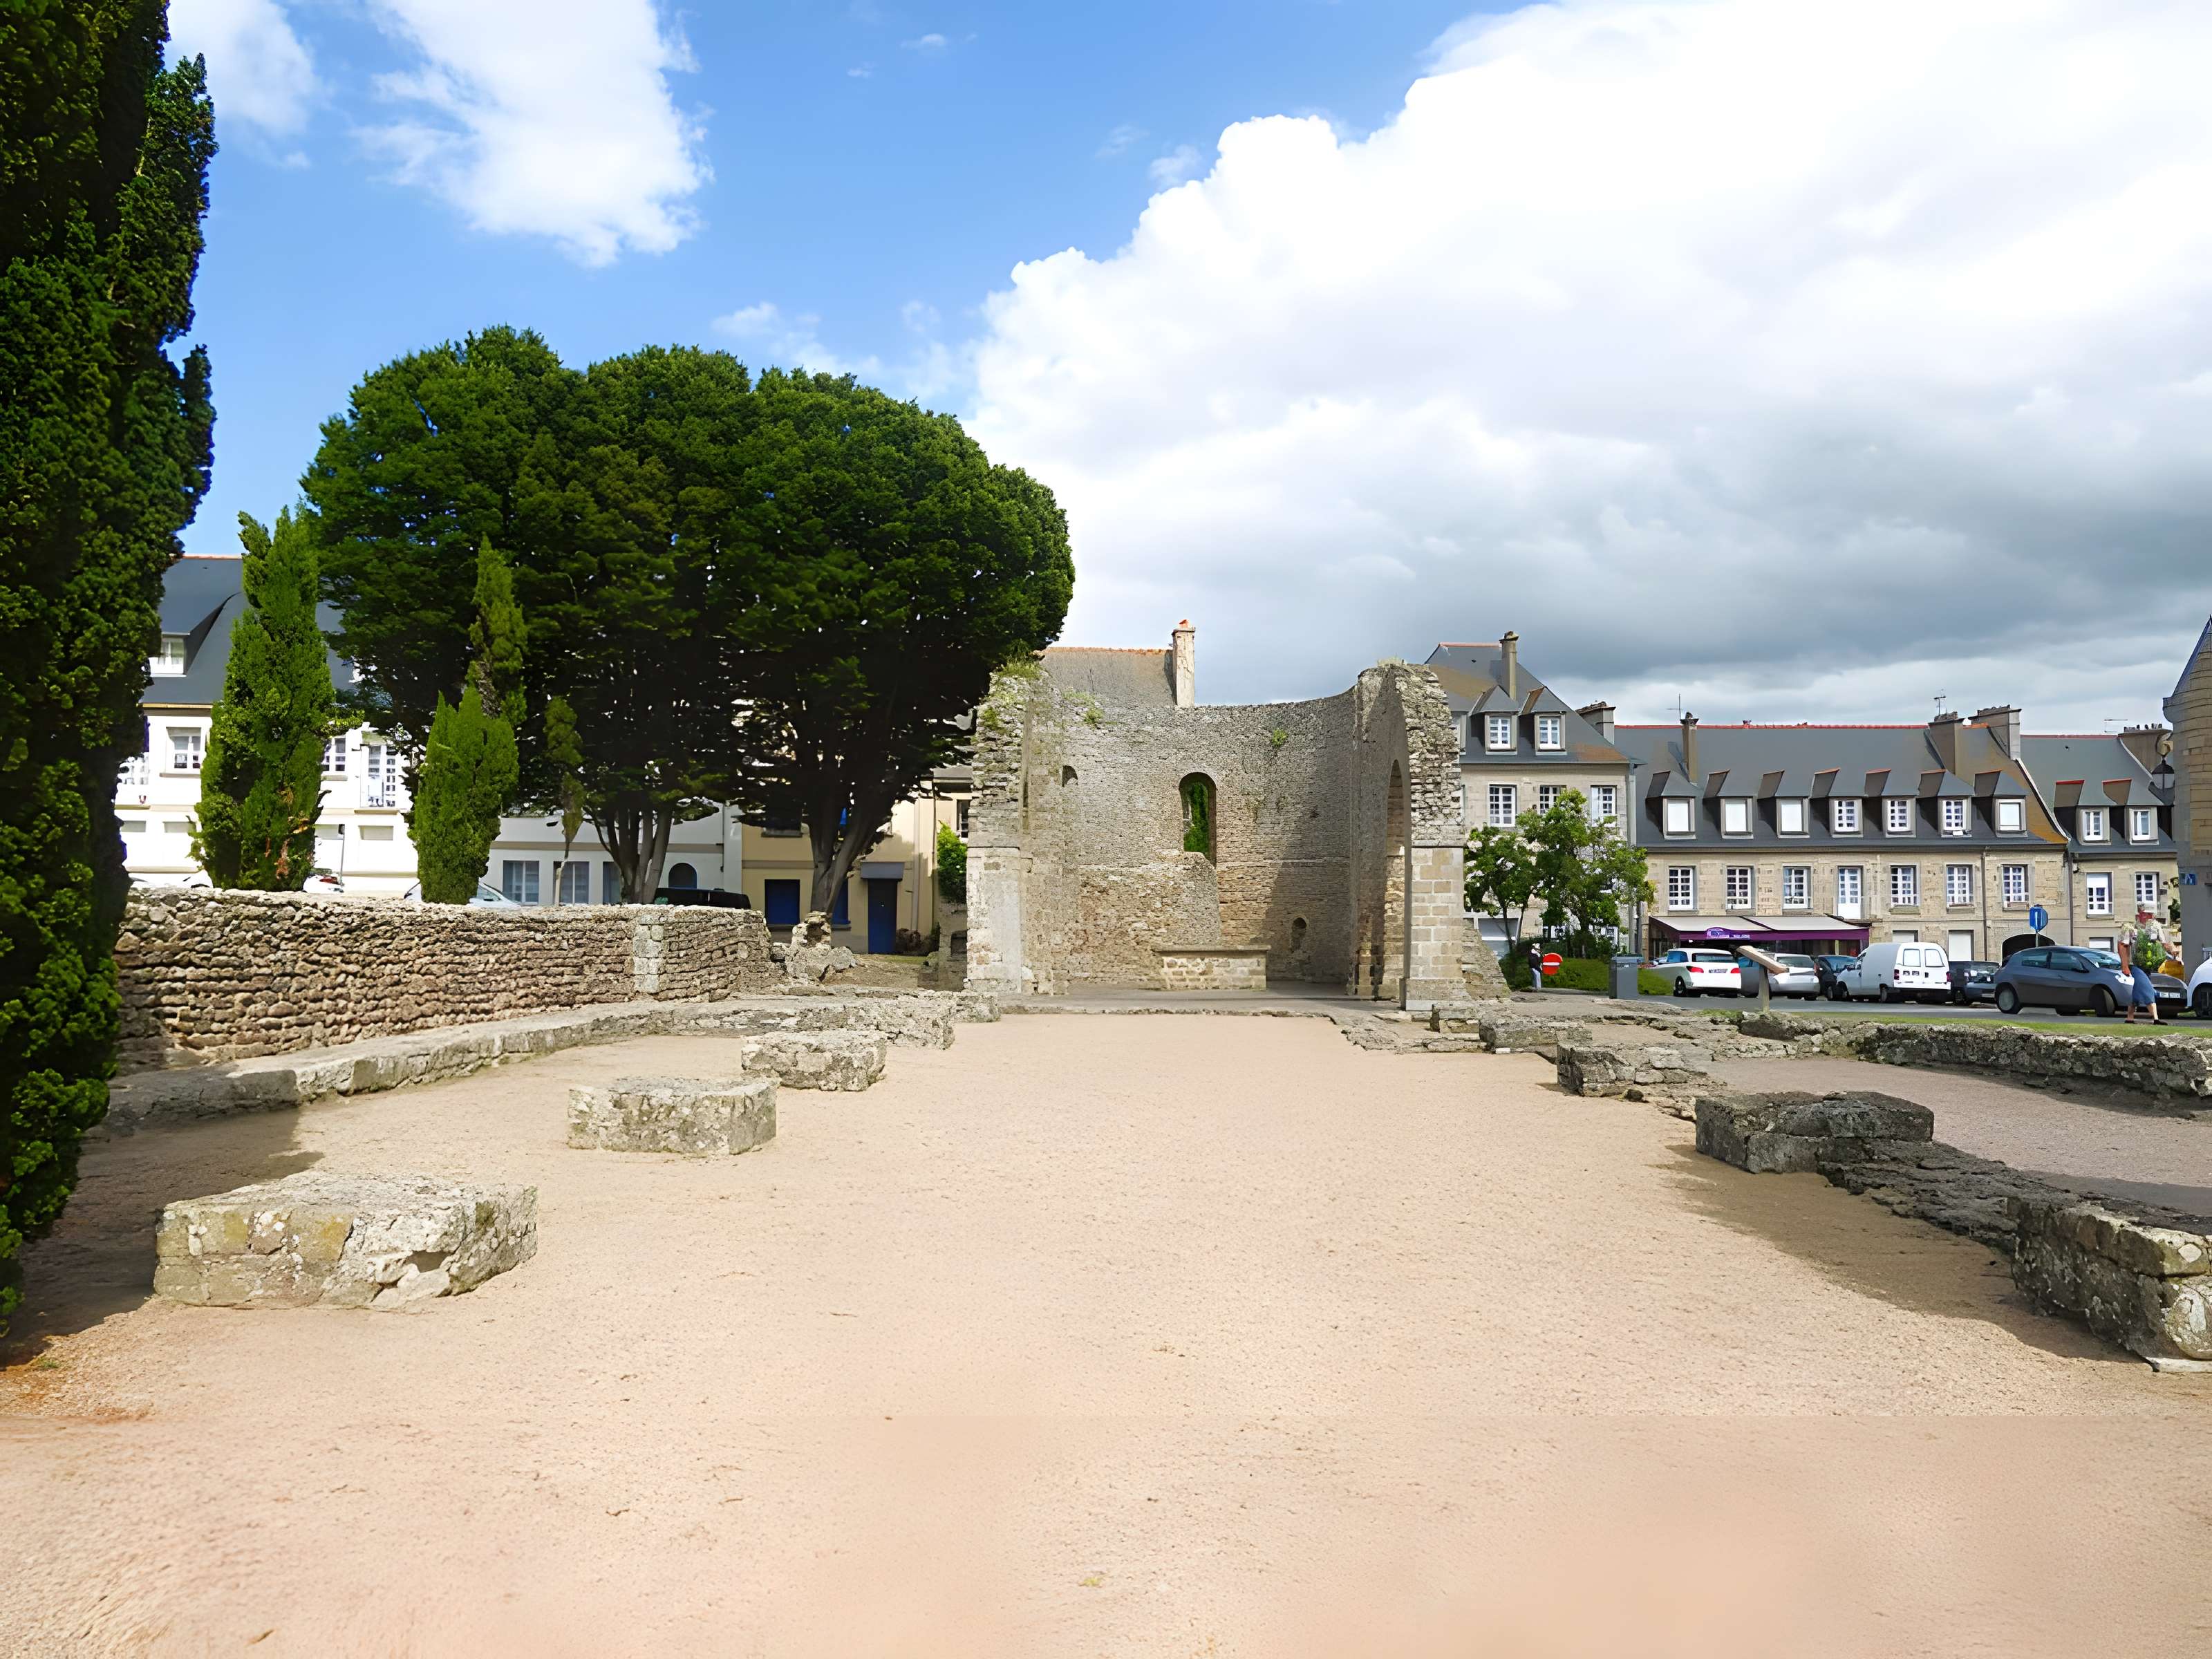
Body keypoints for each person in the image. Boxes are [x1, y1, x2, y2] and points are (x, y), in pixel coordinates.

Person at [2121, 938, 2162, 1026]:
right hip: (2135, 967)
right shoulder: (2131, 935)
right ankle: (2156, 1018)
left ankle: (2130, 1018)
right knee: (2149, 991)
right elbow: (2123, 948)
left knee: (2135, 995)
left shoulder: (2150, 937)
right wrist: (2125, 966)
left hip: (2145, 968)